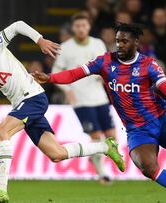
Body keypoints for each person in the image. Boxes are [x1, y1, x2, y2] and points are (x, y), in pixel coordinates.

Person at [32, 23, 166, 203]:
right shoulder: (105, 62)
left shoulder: (148, 65)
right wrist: (50, 78)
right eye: (117, 41)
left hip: (163, 121)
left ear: (136, 43)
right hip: (137, 130)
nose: (119, 45)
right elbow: (75, 73)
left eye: (124, 41)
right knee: (148, 168)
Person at [0, 21, 125, 203]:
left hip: (33, 98)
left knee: (2, 132)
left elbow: (17, 26)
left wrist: (40, 40)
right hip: (21, 104)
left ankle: (1, 190)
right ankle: (105, 147)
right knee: (56, 154)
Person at [53, 13, 117, 184]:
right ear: (73, 28)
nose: (81, 28)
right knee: (96, 136)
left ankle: (95, 159)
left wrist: (104, 75)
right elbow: (55, 73)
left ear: (88, 27)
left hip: (100, 98)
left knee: (112, 137)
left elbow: (107, 66)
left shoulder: (98, 44)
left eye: (84, 25)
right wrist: (68, 91)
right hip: (80, 101)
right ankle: (102, 173)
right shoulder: (65, 48)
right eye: (77, 26)